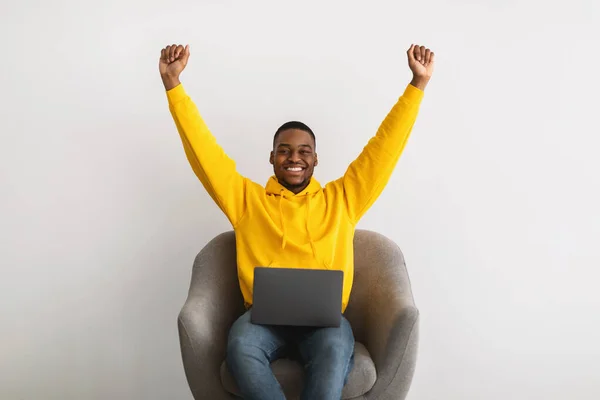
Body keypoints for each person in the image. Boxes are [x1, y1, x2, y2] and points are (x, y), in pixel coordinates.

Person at [159, 43, 434, 400]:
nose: (294, 158)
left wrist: (417, 85)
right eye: (284, 150)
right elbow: (203, 152)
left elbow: (384, 149)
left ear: (316, 160)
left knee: (335, 349)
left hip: (325, 324)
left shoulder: (343, 199)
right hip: (261, 321)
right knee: (241, 346)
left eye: (304, 151)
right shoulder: (247, 201)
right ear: (271, 157)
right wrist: (173, 87)